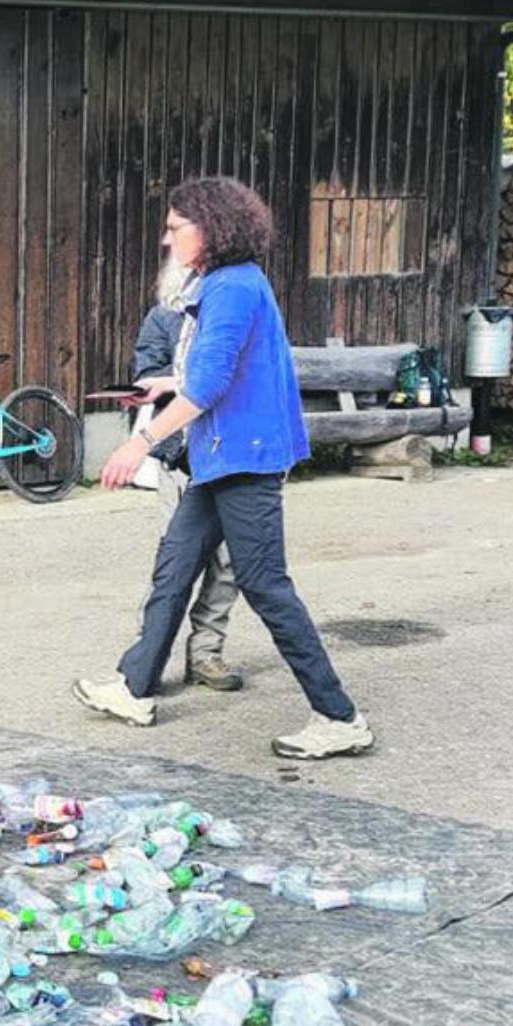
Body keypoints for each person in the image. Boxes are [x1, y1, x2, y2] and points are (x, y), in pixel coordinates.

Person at [74, 176, 373, 760]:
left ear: (209, 229)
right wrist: (163, 385)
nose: (167, 240)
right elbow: (217, 373)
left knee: (266, 585)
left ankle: (339, 716)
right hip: (217, 457)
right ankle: (135, 687)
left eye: (175, 228)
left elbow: (211, 384)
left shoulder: (233, 288)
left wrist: (139, 444)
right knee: (175, 567)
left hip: (244, 457)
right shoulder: (225, 284)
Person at [129, 259, 242, 693]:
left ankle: (206, 654)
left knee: (228, 564)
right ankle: (148, 661)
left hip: (230, 454)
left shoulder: (232, 316)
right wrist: (187, 382)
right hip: (181, 456)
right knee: (173, 564)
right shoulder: (162, 318)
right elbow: (145, 377)